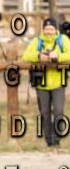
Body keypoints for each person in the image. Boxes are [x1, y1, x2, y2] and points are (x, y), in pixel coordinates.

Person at [21, 17, 70, 148]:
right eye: (46, 29)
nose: (49, 31)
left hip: (58, 82)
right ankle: (49, 141)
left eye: (51, 29)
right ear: (43, 30)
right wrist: (38, 56)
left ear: (56, 30)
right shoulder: (37, 41)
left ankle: (56, 138)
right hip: (41, 83)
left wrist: (58, 56)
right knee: (45, 113)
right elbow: (25, 56)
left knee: (58, 111)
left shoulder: (63, 40)